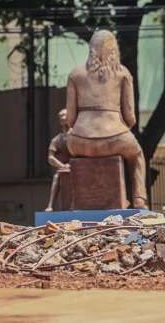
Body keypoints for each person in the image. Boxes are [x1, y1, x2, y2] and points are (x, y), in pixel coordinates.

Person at [65, 29, 148, 209]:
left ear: (91, 49)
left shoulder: (75, 74)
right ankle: (139, 199)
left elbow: (69, 119)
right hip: (115, 139)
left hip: (79, 141)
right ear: (114, 49)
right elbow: (131, 118)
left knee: (67, 149)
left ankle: (74, 201)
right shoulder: (123, 73)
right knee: (137, 154)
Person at [45, 109, 71, 212]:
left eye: (65, 115)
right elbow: (50, 158)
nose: (63, 118)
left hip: (78, 167)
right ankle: (50, 204)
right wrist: (62, 166)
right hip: (63, 169)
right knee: (57, 177)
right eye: (61, 116)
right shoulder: (56, 140)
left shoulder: (77, 136)